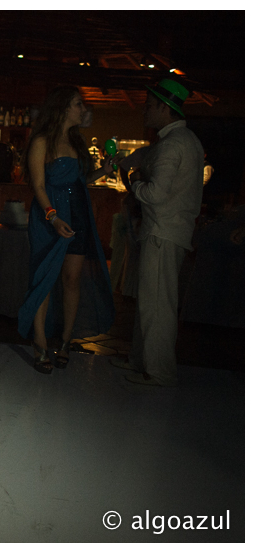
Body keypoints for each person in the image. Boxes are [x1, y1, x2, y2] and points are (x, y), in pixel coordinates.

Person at [16, 86, 116, 374]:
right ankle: (40, 342)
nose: (83, 109)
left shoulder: (77, 142)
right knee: (44, 279)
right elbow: (37, 186)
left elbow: (79, 181)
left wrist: (103, 172)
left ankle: (66, 340)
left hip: (78, 215)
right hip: (49, 220)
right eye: (77, 104)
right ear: (61, 108)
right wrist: (52, 217)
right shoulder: (41, 142)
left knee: (72, 280)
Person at [117, 78, 204, 387]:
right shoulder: (185, 140)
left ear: (166, 110)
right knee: (152, 302)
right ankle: (143, 362)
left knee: (157, 305)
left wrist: (132, 183)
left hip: (162, 232)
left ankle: (158, 371)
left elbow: (155, 194)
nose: (145, 111)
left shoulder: (172, 145)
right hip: (171, 231)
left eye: (150, 106)